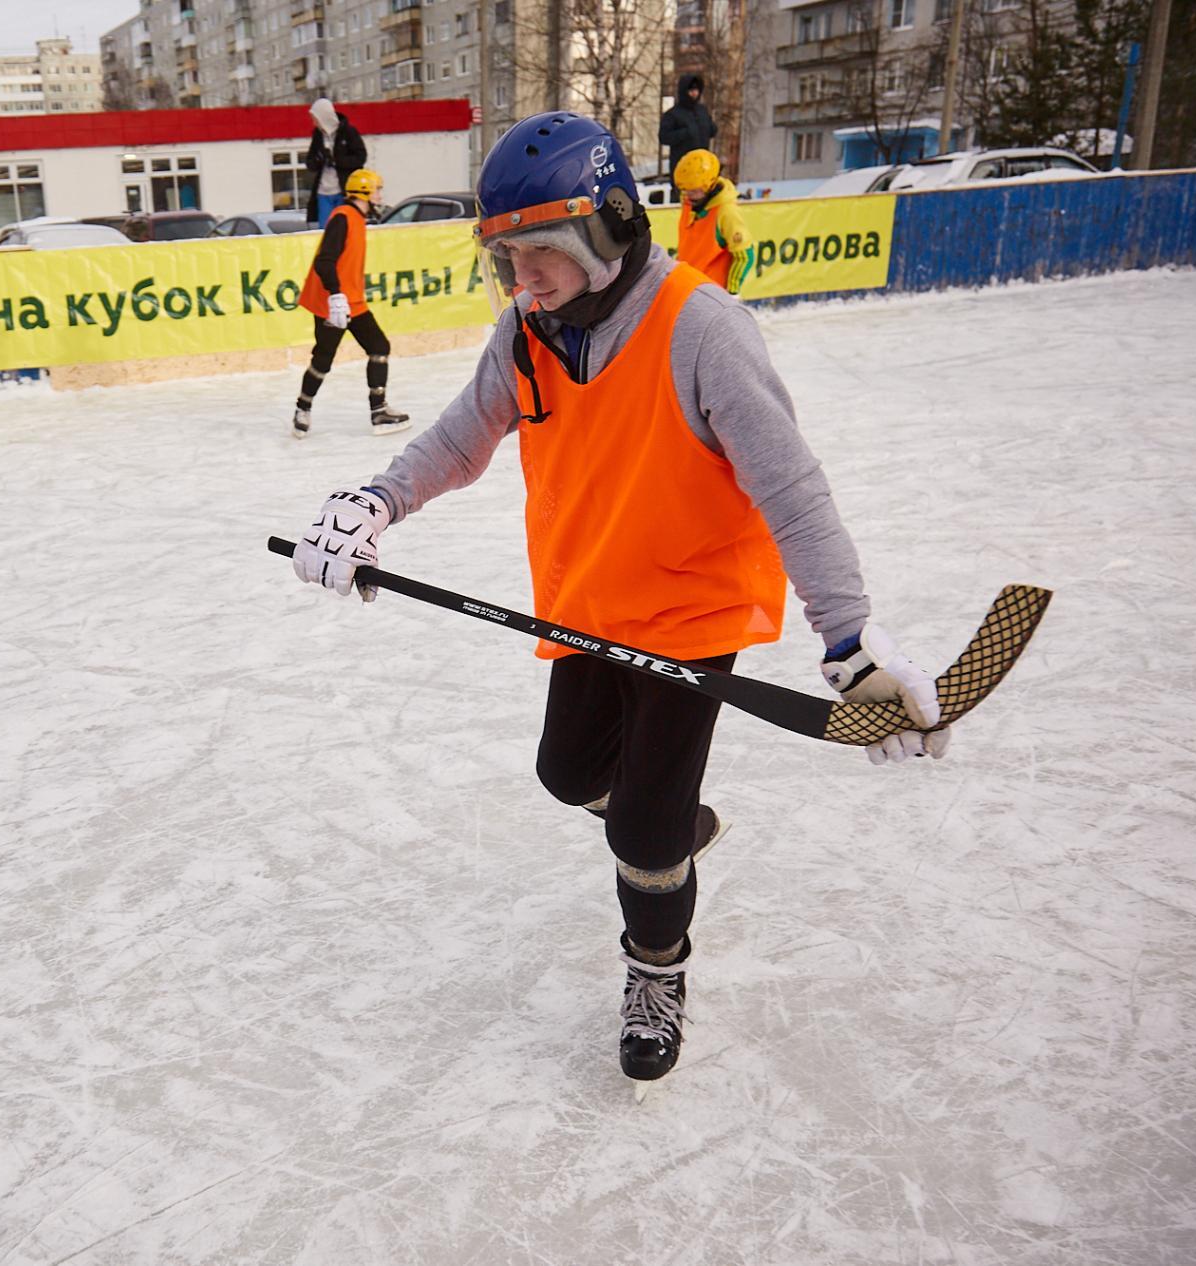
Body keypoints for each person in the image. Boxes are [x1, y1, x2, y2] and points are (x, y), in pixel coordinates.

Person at [288, 112, 948, 1093]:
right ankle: (670, 821)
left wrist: (846, 636)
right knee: (566, 773)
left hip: (691, 610)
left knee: (639, 831)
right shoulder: (525, 332)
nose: (521, 280)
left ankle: (655, 969)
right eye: (502, 259)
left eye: (539, 254)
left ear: (603, 227)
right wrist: (377, 499)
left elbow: (789, 486)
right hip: (587, 602)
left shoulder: (700, 329)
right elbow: (461, 438)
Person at [293, 167, 411, 439]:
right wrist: (335, 295)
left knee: (379, 346)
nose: (380, 194)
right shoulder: (343, 217)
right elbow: (325, 262)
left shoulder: (357, 218)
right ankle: (302, 409)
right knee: (323, 359)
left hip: (352, 301)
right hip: (331, 302)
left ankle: (379, 410)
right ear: (365, 192)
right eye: (377, 189)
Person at [673, 148, 753, 295]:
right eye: (685, 190)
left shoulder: (726, 212)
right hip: (686, 290)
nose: (688, 197)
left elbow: (744, 255)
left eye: (694, 191)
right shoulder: (690, 202)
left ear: (710, 185)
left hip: (711, 295)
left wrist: (731, 293)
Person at [304, 97, 367, 229]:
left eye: (315, 119)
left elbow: (360, 157)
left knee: (343, 227)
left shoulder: (348, 132)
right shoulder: (318, 135)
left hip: (343, 190)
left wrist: (337, 161)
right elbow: (310, 162)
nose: (314, 123)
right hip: (323, 192)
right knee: (325, 230)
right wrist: (320, 159)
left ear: (324, 116)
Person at [659, 74, 718, 196]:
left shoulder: (702, 111)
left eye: (696, 90)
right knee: (684, 198)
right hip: (683, 168)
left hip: (704, 167)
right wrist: (685, 133)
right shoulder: (673, 114)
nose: (694, 94)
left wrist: (710, 128)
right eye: (691, 90)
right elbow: (664, 137)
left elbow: (711, 129)